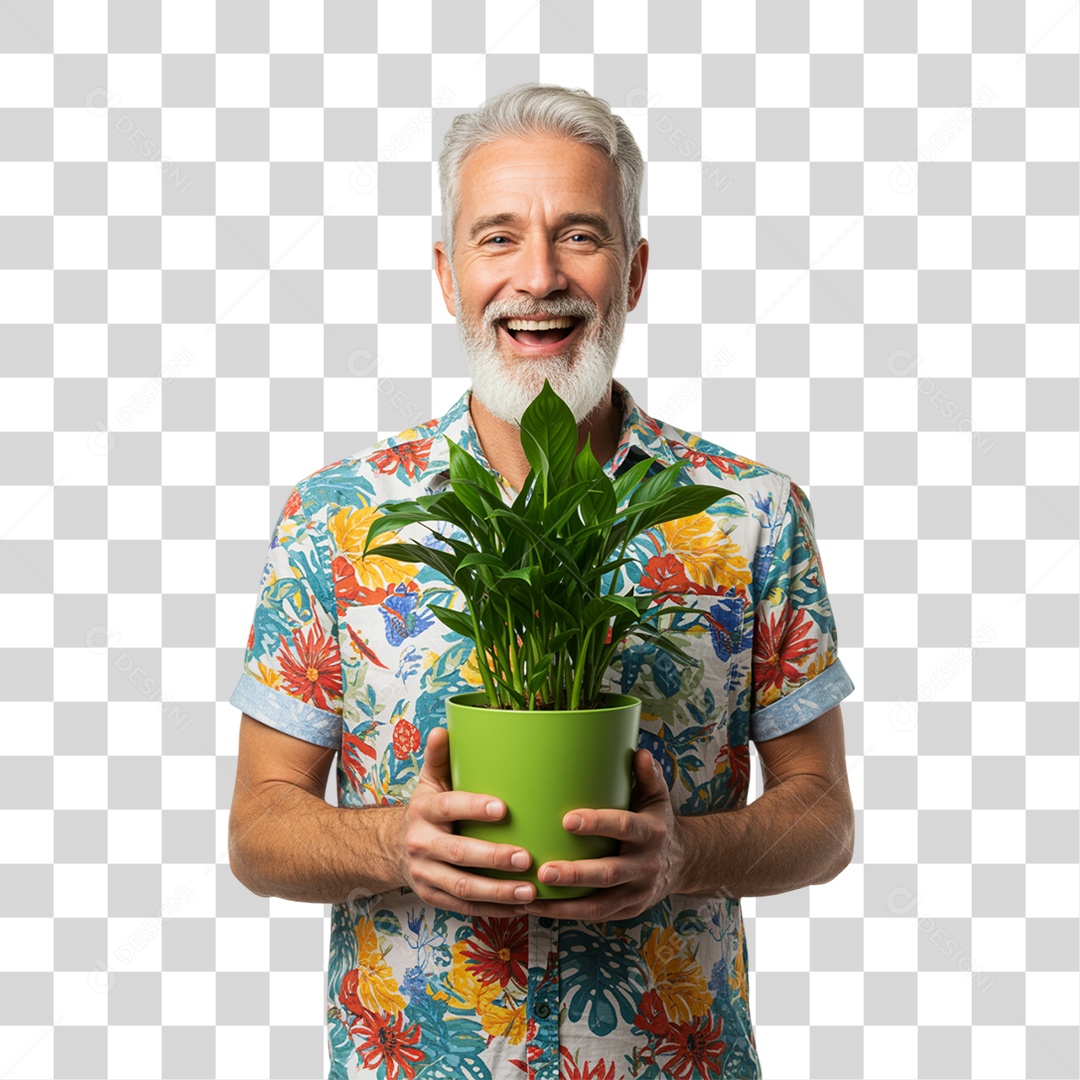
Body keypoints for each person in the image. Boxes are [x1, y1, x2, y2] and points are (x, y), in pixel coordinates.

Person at [228, 83, 856, 1080]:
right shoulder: (339, 517)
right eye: (498, 238)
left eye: (580, 236)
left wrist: (680, 856)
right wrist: (394, 844)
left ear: (635, 270)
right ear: (446, 274)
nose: (540, 277)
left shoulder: (749, 511)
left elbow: (822, 816)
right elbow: (260, 827)